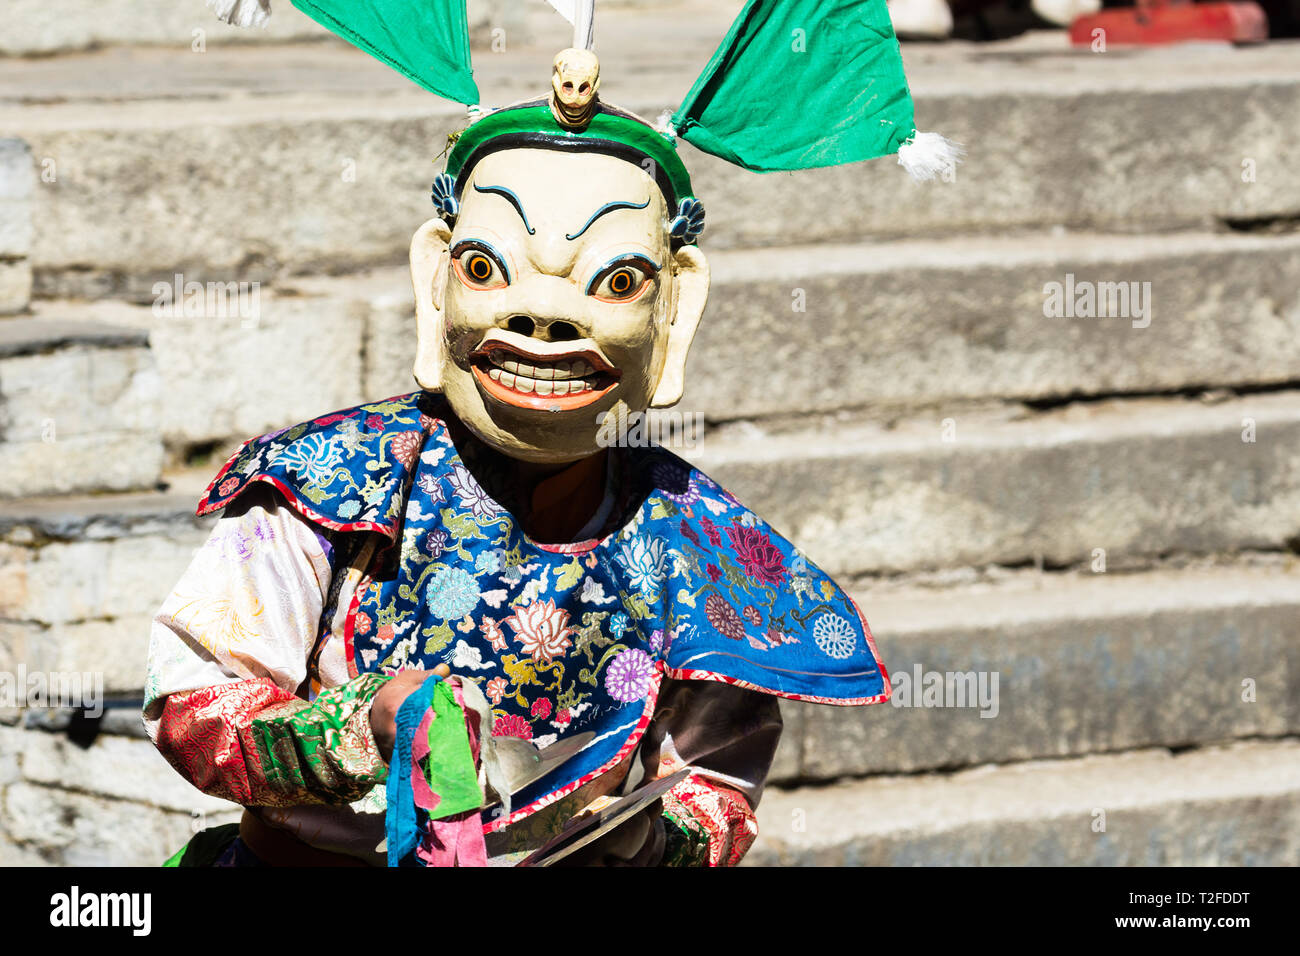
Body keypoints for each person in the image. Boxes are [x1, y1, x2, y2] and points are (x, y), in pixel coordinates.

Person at [149, 0, 955, 866]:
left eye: (614, 282)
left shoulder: (695, 541)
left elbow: (717, 792)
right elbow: (194, 712)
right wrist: (364, 725)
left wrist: (649, 839)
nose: (542, 316)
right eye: (490, 269)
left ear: (674, 311)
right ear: (436, 281)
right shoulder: (329, 485)